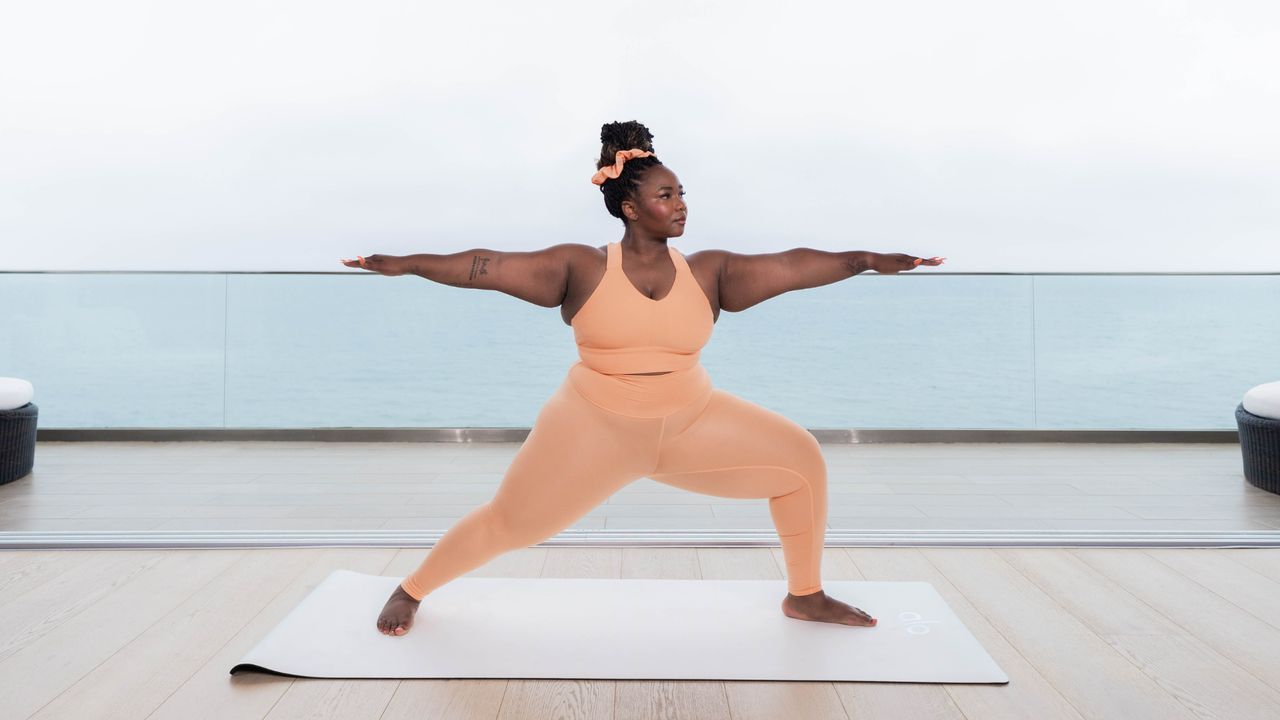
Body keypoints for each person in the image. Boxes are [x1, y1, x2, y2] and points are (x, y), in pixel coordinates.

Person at [342, 120, 944, 637]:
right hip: (590, 427)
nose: (680, 204)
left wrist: (867, 261)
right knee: (511, 524)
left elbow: (792, 265)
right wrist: (405, 265)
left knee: (801, 461)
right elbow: (486, 267)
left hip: (692, 422)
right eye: (665, 194)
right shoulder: (580, 265)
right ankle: (413, 589)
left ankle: (804, 595)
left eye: (682, 192)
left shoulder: (711, 273)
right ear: (631, 207)